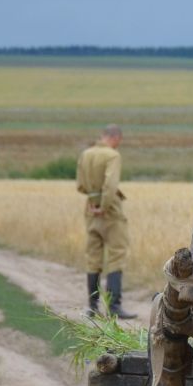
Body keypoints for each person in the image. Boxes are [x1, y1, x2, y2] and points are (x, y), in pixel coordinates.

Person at [76, 124, 136, 319]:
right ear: (116, 138)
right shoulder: (112, 156)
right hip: (109, 212)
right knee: (117, 256)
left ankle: (92, 307)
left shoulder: (86, 154)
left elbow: (80, 185)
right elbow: (110, 184)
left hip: (90, 210)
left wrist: (94, 202)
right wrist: (104, 205)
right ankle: (114, 307)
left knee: (93, 258)